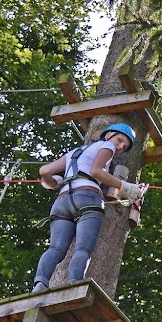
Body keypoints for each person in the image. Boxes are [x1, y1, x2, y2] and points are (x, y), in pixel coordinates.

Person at [32, 123, 145, 293]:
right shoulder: (107, 145)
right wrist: (126, 187)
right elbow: (96, 171)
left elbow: (44, 171)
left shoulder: (75, 152)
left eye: (125, 146)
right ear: (108, 135)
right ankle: (73, 285)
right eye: (120, 140)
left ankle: (39, 284)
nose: (120, 146)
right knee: (83, 248)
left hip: (62, 201)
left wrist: (53, 183)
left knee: (55, 248)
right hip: (88, 197)